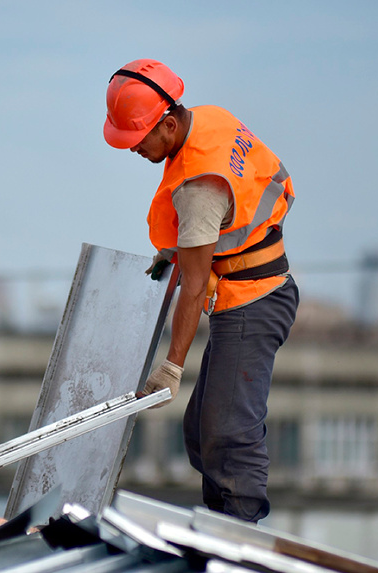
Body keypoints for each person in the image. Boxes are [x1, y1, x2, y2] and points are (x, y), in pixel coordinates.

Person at [104, 59, 299, 523]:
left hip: (255, 299)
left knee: (227, 432)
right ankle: (218, 523)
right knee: (200, 431)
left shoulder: (200, 189)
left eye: (138, 139)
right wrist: (177, 249)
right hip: (253, 287)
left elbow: (193, 287)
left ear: (168, 123)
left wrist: (172, 366)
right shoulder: (209, 119)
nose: (133, 150)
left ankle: (238, 536)